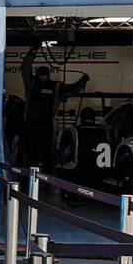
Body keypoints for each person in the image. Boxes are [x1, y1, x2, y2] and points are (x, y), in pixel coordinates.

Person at [20, 43, 89, 171]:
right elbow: (25, 68)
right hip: (30, 125)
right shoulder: (31, 83)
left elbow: (71, 90)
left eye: (44, 74)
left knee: (48, 155)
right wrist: (33, 51)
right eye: (40, 74)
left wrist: (82, 82)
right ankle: (28, 179)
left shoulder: (56, 86)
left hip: (48, 126)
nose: (42, 77)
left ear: (48, 75)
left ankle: (48, 180)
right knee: (30, 155)